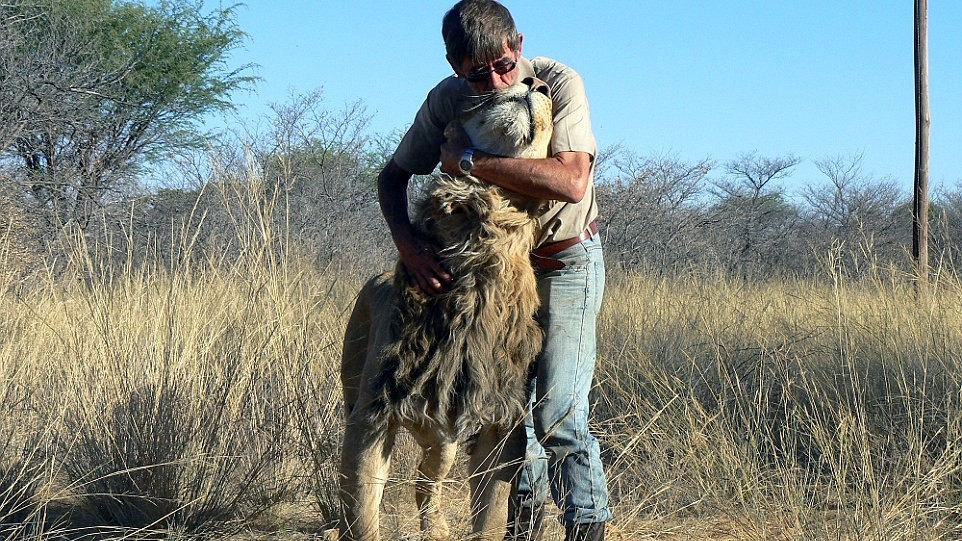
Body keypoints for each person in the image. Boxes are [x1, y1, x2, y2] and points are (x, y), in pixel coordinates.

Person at [375, 1, 611, 540]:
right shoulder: (447, 100)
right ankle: (518, 530)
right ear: (454, 65)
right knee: (503, 410)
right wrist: (409, 247)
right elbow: (391, 178)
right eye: (477, 74)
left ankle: (587, 526)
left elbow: (571, 181)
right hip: (498, 272)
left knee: (557, 411)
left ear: (519, 45)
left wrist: (467, 162)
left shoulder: (559, 82)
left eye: (504, 66)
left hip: (564, 258)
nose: (496, 82)